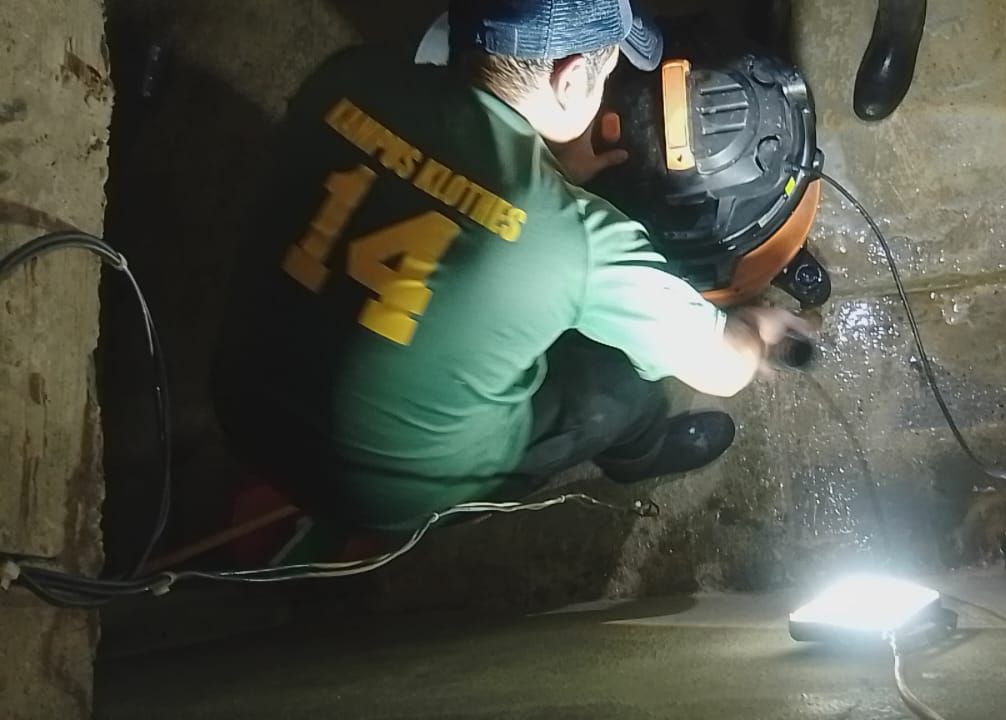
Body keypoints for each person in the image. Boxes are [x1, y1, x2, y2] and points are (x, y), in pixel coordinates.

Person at [212, 0, 810, 532]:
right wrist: (756, 331)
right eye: (605, 72)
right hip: (379, 488)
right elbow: (725, 368)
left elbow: (440, 176)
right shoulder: (576, 240)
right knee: (624, 382)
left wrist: (545, 169)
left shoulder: (349, 76)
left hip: (239, 404)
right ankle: (639, 456)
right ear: (571, 78)